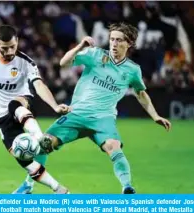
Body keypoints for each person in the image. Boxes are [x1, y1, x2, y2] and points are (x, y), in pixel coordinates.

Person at [14, 22, 172, 194]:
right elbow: (63, 63)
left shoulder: (133, 70)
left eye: (119, 40)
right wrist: (80, 46)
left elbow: (141, 94)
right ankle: (28, 185)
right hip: (76, 114)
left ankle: (127, 187)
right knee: (44, 143)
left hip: (103, 119)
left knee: (114, 147)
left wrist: (155, 116)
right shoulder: (95, 54)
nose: (114, 44)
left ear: (129, 44)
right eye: (112, 39)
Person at [0, 25, 70, 194]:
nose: (9, 51)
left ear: (17, 41)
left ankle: (40, 138)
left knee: (13, 105)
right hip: (1, 116)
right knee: (23, 158)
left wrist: (54, 105)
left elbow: (39, 85)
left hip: (22, 102)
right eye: (4, 48)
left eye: (12, 46)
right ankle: (59, 189)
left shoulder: (25, 63)